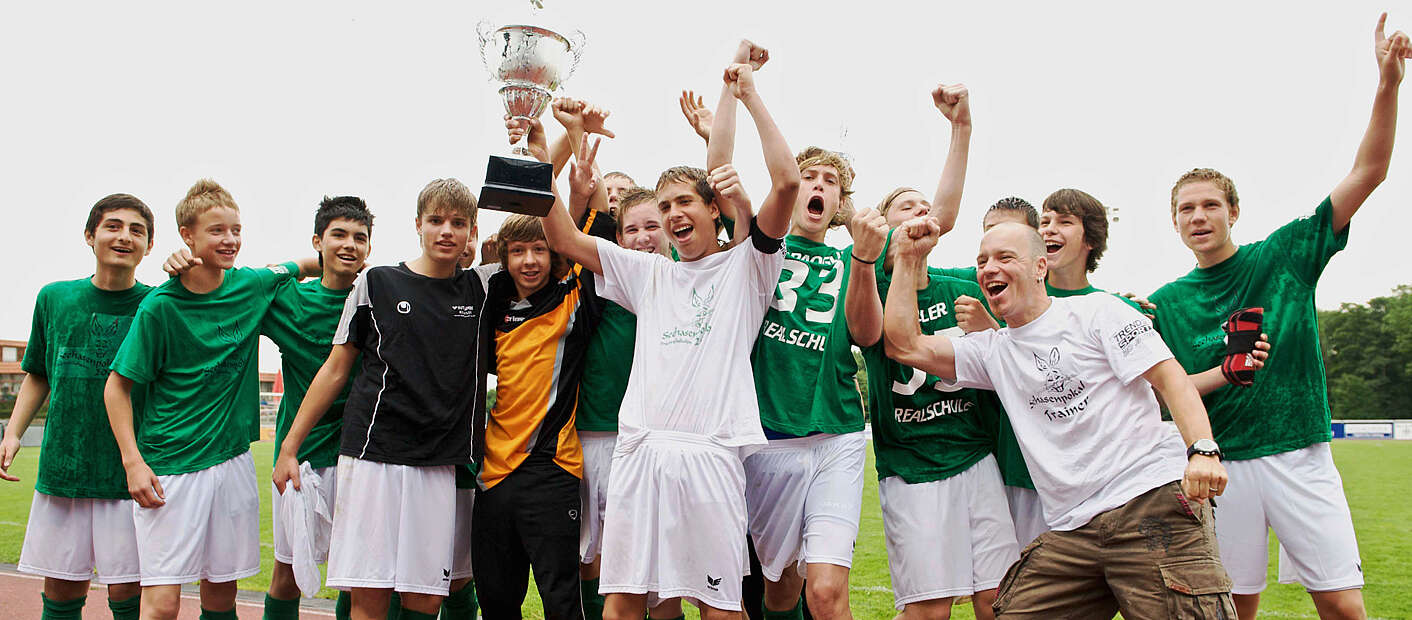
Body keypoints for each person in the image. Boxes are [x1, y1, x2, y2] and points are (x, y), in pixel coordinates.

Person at [1148, 16, 1409, 620]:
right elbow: (1168, 392)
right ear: (1175, 222)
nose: (1198, 216)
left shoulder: (1285, 255)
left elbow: (1368, 173)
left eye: (1210, 205)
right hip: (1221, 464)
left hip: (1299, 451)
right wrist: (1222, 371)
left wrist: (1388, 84)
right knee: (1234, 607)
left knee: (1341, 603)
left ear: (1233, 211)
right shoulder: (1167, 302)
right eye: (1186, 209)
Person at [538, 50, 798, 620]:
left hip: (710, 455)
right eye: (665, 206)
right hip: (639, 453)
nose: (674, 214)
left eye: (685, 202)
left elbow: (787, 182)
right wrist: (543, 162)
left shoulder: (747, 267)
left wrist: (748, 94)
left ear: (713, 210)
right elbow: (563, 239)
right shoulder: (648, 273)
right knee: (622, 606)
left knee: (719, 608)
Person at [883, 219, 1236, 618]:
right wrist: (907, 258)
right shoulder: (992, 351)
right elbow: (904, 346)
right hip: (1073, 529)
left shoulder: (1097, 311)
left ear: (1040, 267)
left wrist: (1202, 450)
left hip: (1148, 500)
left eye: (1005, 257)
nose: (989, 268)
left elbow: (1171, 378)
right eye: (982, 261)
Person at [273, 178, 491, 620]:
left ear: (472, 232)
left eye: (458, 223)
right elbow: (335, 369)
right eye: (436, 220)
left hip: (439, 463)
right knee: (369, 596)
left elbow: (552, 239)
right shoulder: (377, 282)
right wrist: (289, 448)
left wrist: (545, 156)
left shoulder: (482, 287)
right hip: (373, 457)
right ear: (417, 224)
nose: (446, 231)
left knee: (425, 598)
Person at [104, 179, 317, 620]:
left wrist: (359, 263)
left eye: (236, 230)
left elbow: (304, 263)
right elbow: (116, 387)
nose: (230, 240)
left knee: (221, 594)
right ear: (187, 235)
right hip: (172, 467)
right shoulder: (160, 306)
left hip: (233, 462)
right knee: (162, 603)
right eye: (217, 230)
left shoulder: (252, 284)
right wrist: (132, 463)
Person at [1, 194, 155, 620]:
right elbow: (39, 372)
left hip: (133, 474)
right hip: (64, 470)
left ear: (149, 245)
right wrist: (13, 432)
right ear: (90, 235)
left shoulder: (158, 303)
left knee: (131, 593)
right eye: (113, 226)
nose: (124, 237)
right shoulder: (54, 298)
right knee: (62, 591)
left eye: (137, 230)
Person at [470, 212, 601, 620]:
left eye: (539, 250)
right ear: (504, 258)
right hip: (493, 473)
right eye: (518, 251)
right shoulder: (494, 305)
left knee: (561, 602)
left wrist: (565, 175)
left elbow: (590, 225)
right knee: (495, 601)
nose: (529, 261)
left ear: (554, 252)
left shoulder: (573, 295)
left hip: (551, 469)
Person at [259, 196, 374, 620]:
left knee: (361, 575)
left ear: (369, 247)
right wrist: (300, 265)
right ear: (317, 241)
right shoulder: (288, 300)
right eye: (338, 235)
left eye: (359, 237)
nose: (349, 244)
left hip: (361, 456)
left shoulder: (379, 298)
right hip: (299, 455)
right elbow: (241, 285)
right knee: (286, 573)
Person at [575, 186, 686, 620]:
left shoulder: (688, 279)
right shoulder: (604, 285)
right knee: (593, 558)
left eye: (652, 226)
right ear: (617, 239)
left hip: (659, 444)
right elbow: (571, 236)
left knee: (660, 574)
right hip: (595, 436)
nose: (642, 237)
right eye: (632, 230)